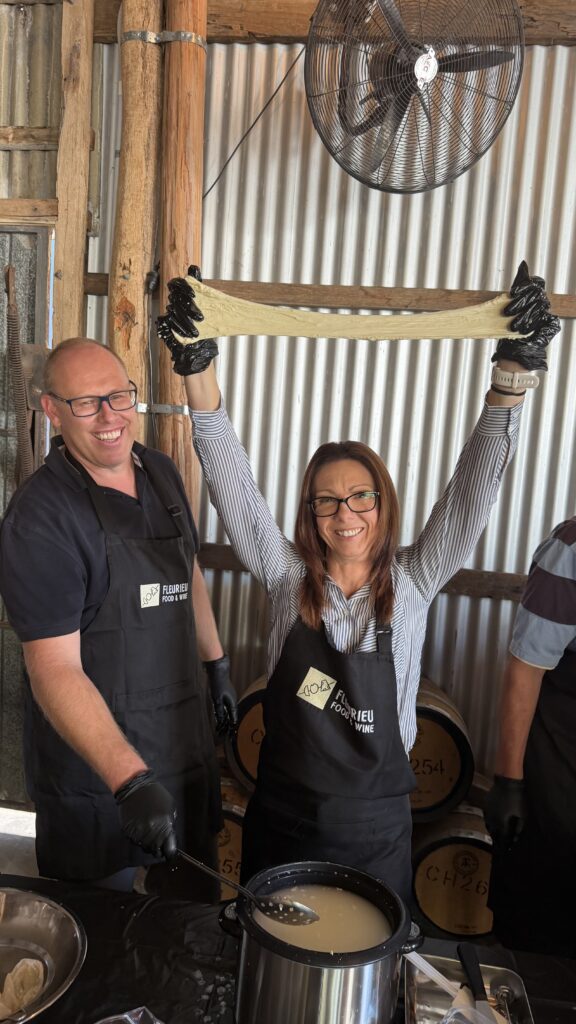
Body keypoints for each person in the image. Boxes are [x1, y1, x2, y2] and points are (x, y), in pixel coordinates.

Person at [156, 261, 559, 905]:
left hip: (375, 827)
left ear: (382, 502)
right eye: (326, 501)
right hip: (285, 815)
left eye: (359, 496)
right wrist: (197, 363)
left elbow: (468, 497)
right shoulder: (287, 578)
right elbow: (231, 474)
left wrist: (510, 381)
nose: (345, 513)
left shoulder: (417, 578)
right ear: (309, 514)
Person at [0, 338, 238, 895]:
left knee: (186, 928)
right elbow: (52, 669)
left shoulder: (159, 471)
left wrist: (218, 664)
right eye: (86, 403)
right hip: (98, 774)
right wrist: (128, 781)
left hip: (180, 741)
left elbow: (189, 571)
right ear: (51, 409)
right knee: (105, 945)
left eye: (118, 396)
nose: (110, 416)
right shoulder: (41, 519)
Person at [485, 517, 576, 958]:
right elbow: (525, 670)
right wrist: (509, 783)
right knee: (542, 937)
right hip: (561, 772)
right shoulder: (571, 547)